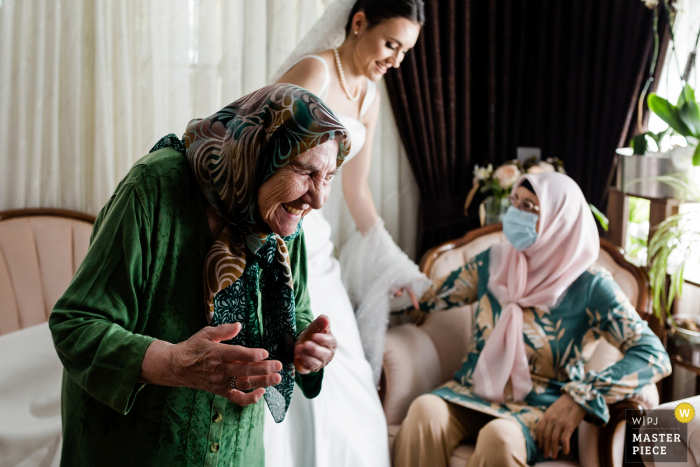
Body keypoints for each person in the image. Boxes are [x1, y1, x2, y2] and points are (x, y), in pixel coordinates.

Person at [48, 83, 350, 467]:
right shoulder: (153, 188)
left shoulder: (285, 219)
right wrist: (174, 362)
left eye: (328, 177)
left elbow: (298, 310)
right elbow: (76, 325)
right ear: (257, 154)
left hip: (236, 453)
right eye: (305, 172)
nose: (318, 198)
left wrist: (305, 345)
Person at [392, 172, 672, 467]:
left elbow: (653, 356)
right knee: (425, 410)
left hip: (543, 408)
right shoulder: (494, 261)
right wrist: (381, 287)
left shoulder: (590, 286)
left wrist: (582, 397)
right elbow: (429, 296)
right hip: (472, 391)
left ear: (559, 219)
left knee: (498, 437)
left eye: (529, 207)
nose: (515, 213)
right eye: (515, 202)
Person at [263, 1, 427, 466]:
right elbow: (254, 158)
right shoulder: (314, 72)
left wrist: (395, 265)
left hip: (318, 252)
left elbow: (355, 189)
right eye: (391, 44)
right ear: (358, 23)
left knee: (347, 384)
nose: (396, 60)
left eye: (405, 50)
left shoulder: (370, 98)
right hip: (276, 241)